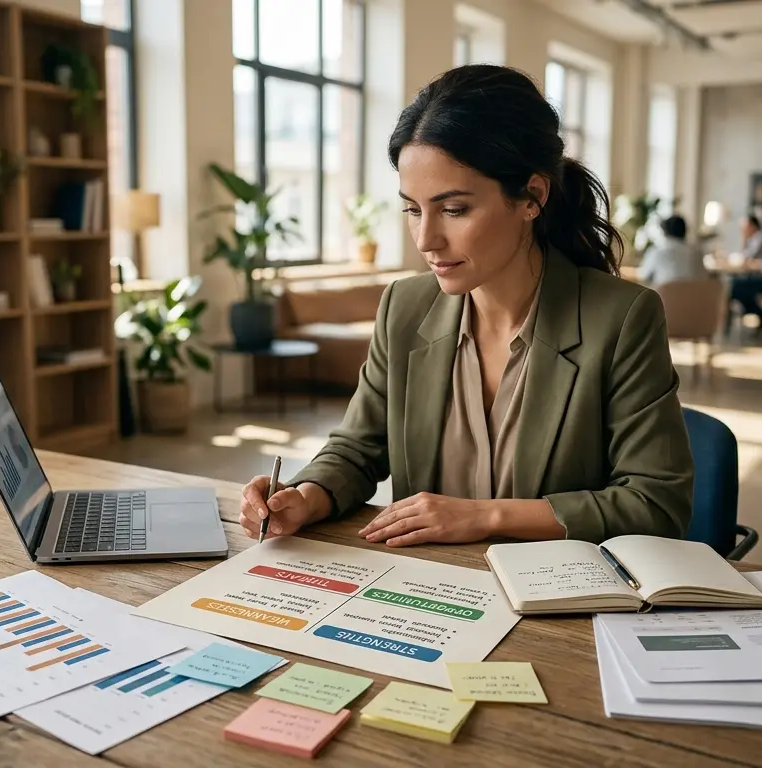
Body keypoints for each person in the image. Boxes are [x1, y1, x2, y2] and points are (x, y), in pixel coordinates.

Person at [238, 64, 694, 548]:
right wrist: (308, 495)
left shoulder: (622, 318)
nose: (426, 238)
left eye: (454, 210)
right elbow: (358, 448)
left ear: (532, 197)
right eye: (413, 209)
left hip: (557, 602)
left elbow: (656, 503)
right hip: (427, 594)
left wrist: (486, 517)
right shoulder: (404, 307)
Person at [638, 215, 708, 288]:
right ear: (685, 231)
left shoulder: (657, 252)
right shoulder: (697, 253)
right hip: (697, 298)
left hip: (663, 298)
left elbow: (643, 276)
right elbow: (704, 278)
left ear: (665, 232)